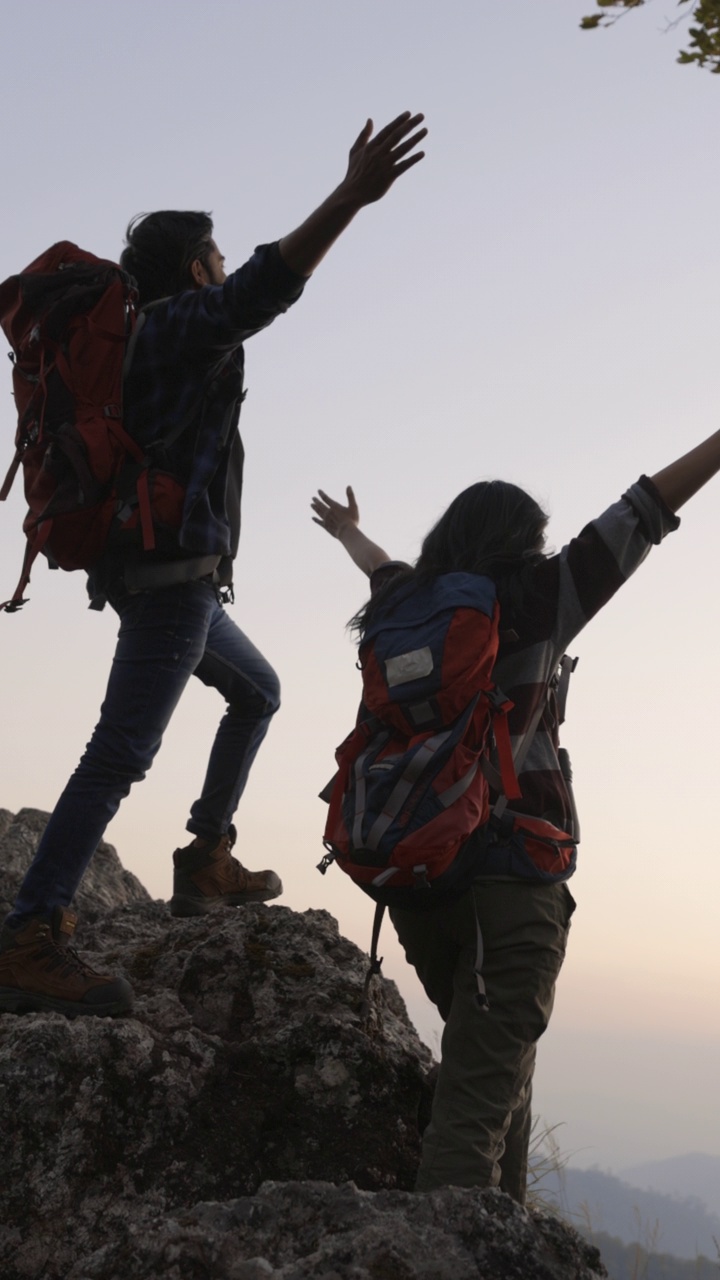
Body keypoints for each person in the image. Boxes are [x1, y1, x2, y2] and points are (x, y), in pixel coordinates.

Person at [0, 112, 427, 1020]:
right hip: (170, 585)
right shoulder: (172, 331)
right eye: (217, 255)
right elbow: (265, 290)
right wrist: (349, 196)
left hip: (161, 578)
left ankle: (205, 860)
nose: (226, 266)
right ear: (196, 268)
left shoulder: (145, 341)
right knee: (120, 751)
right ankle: (29, 932)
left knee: (258, 691)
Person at [311, 427, 720, 1203]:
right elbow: (646, 510)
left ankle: (502, 1230)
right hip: (515, 876)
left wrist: (346, 530)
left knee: (494, 1059)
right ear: (520, 544)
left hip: (419, 876)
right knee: (474, 1098)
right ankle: (447, 1239)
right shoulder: (537, 599)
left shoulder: (403, 604)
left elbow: (377, 564)